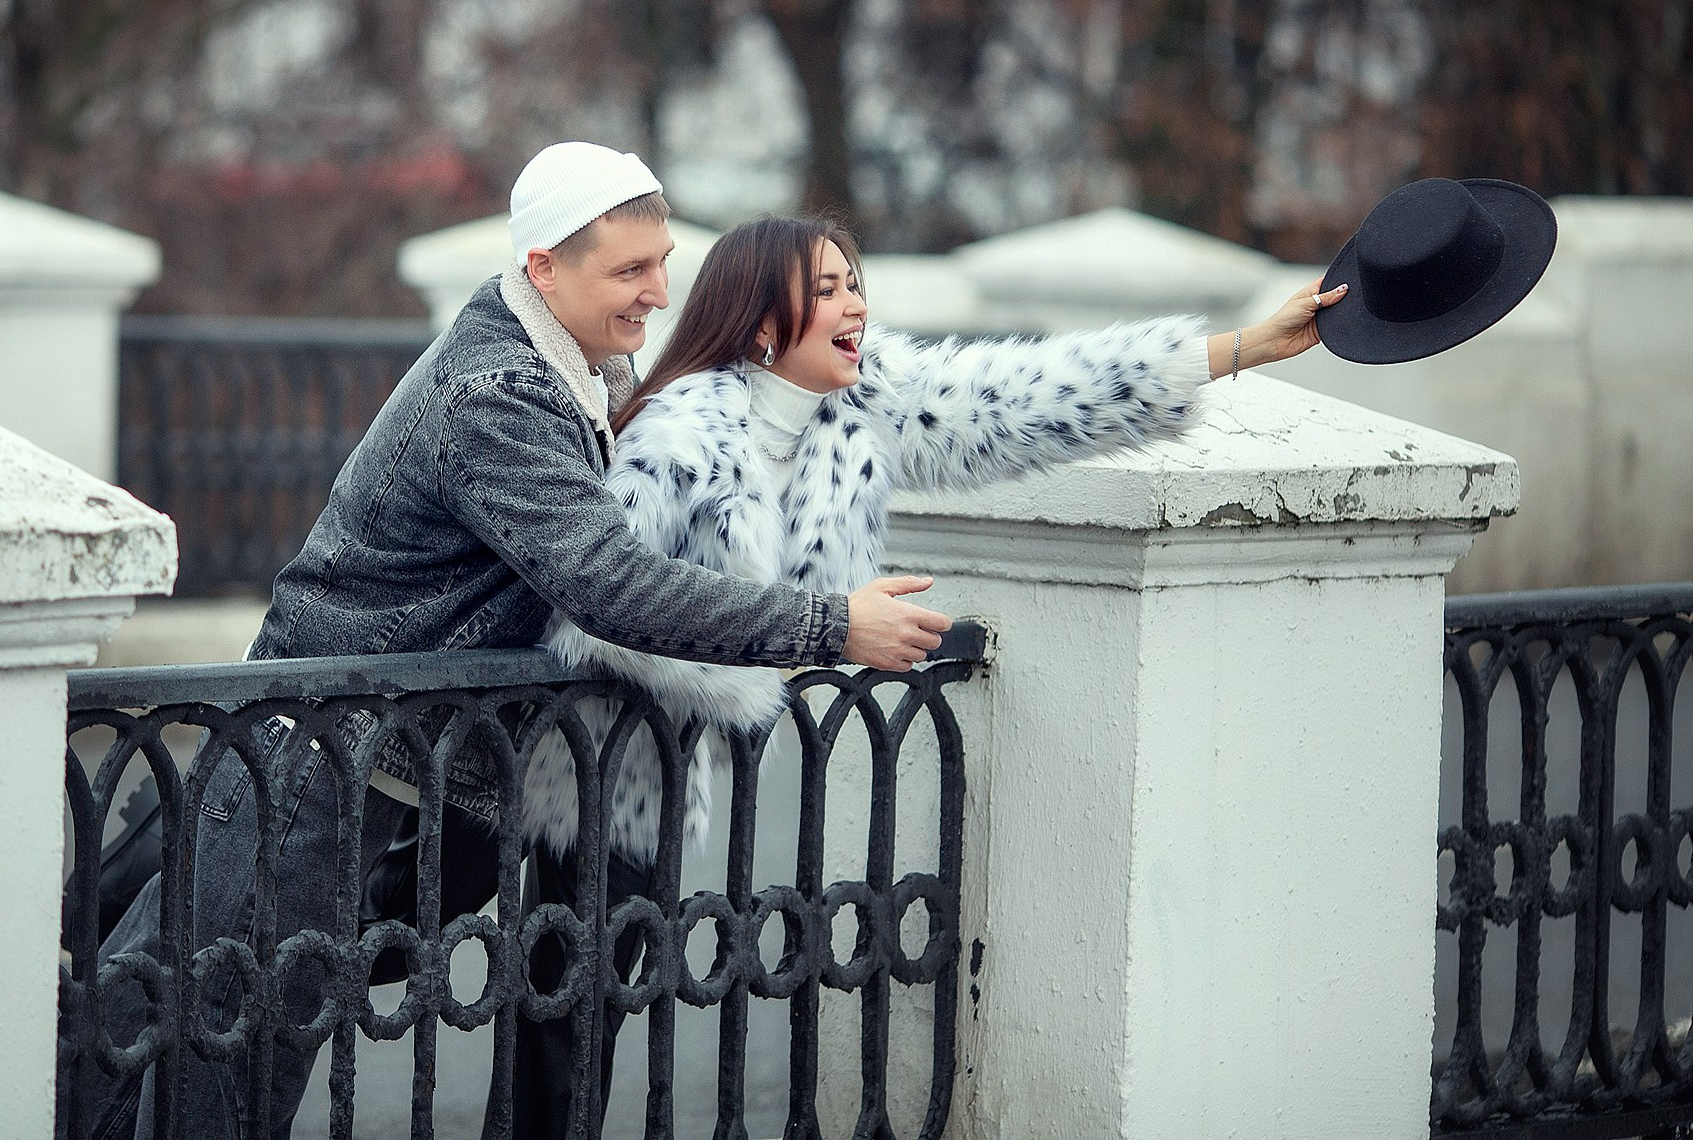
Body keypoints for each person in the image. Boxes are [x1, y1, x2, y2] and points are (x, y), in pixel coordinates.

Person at [73, 146, 955, 1140]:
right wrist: (830, 623)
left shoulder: (573, 368)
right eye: (630, 271)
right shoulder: (498, 391)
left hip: (359, 749)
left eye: (661, 262)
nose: (658, 292)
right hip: (314, 751)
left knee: (161, 995)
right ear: (544, 268)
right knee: (225, 1039)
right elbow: (609, 582)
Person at [517, 214, 1347, 877]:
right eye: (829, 291)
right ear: (768, 321)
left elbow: (1025, 400)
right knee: (554, 1000)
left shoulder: (861, 406)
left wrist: (1250, 347)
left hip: (676, 761)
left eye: (855, 286)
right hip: (592, 757)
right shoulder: (679, 433)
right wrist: (780, 653)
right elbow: (594, 612)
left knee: (603, 1008)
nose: (856, 308)